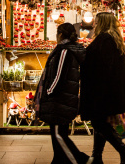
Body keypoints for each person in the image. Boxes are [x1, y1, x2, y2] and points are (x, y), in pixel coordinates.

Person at [80, 12, 125, 164]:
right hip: (112, 90)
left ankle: (124, 151)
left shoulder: (105, 39)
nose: (94, 24)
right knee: (101, 122)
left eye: (96, 22)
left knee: (98, 122)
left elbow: (102, 66)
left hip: (102, 90)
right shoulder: (114, 39)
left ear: (103, 23)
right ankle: (97, 156)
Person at [35, 23, 91, 164]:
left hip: (59, 100)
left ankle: (81, 160)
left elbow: (59, 76)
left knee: (59, 135)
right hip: (63, 99)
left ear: (60, 34)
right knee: (58, 134)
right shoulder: (68, 49)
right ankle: (58, 160)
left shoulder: (64, 51)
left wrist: (49, 91)